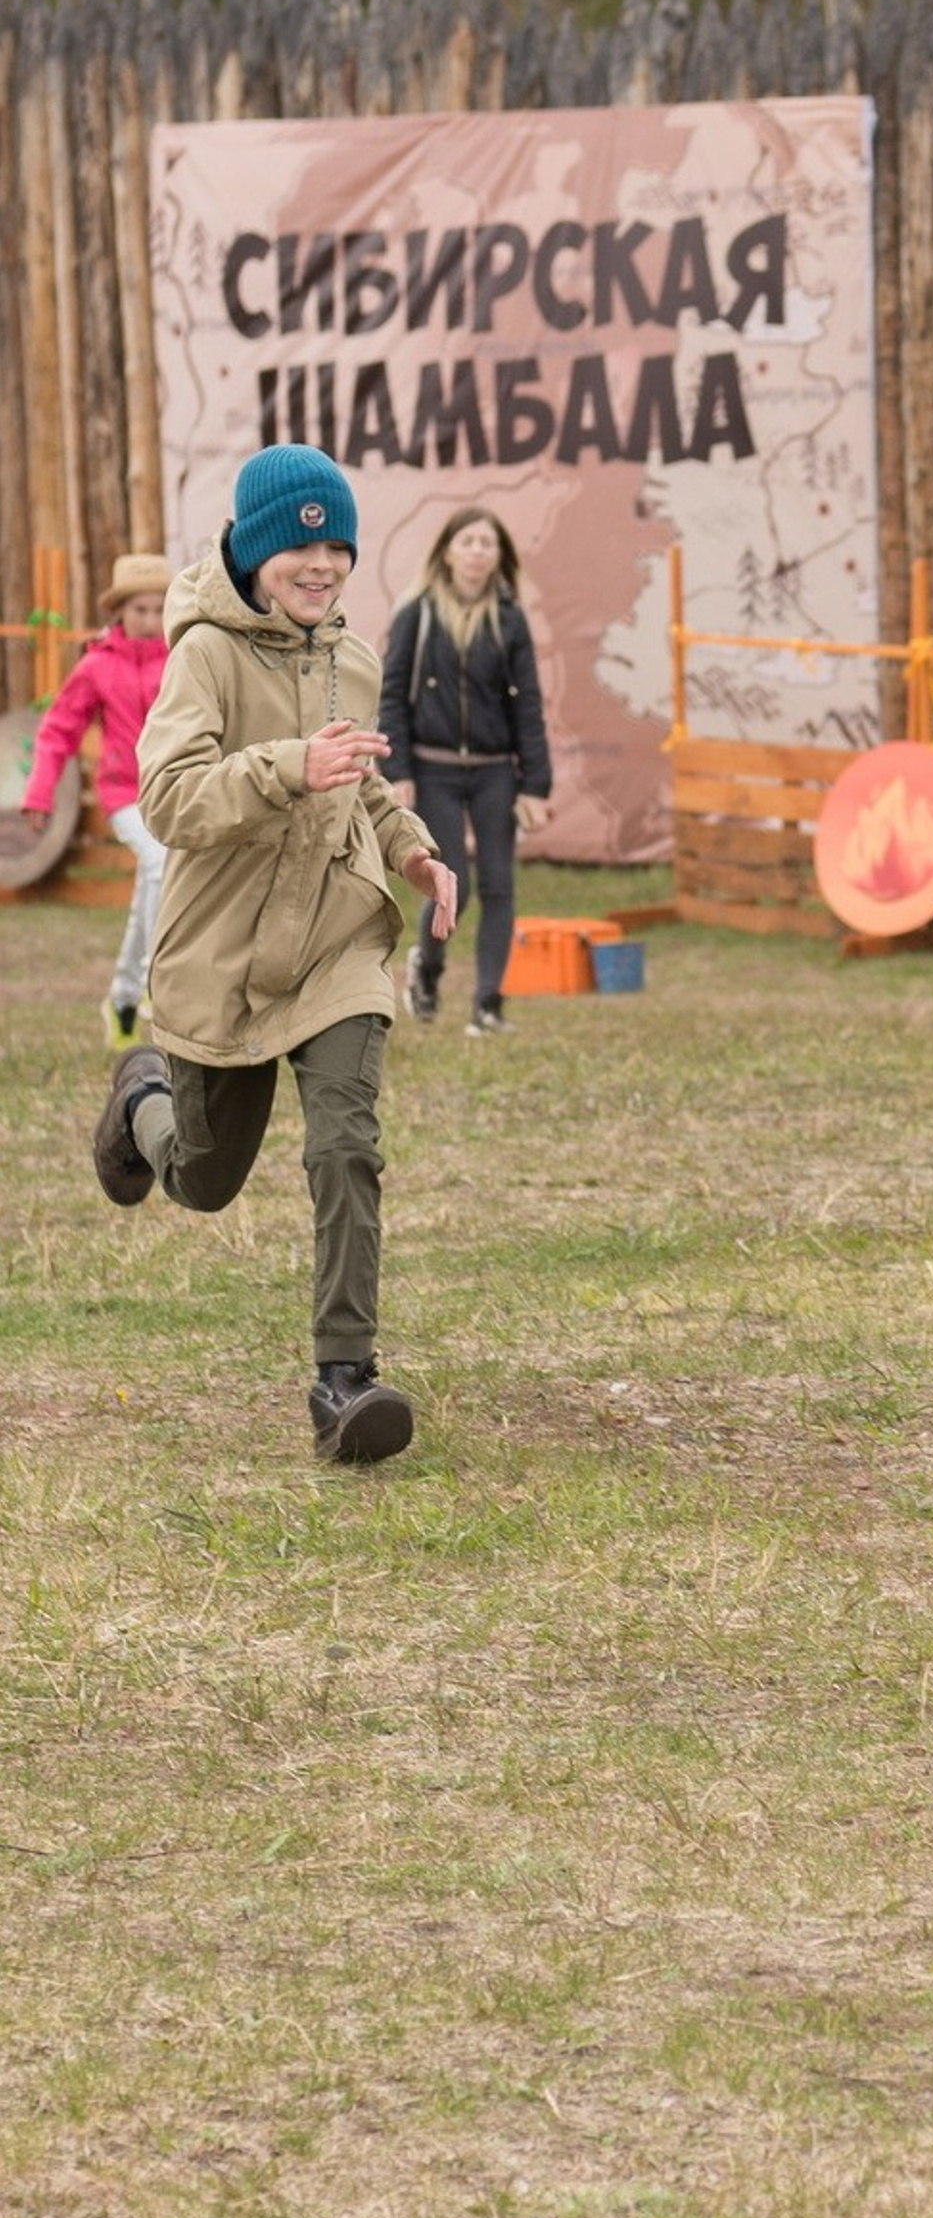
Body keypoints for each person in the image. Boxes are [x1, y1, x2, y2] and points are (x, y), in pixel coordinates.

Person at [90, 444, 459, 1465]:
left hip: (337, 937)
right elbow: (169, 800)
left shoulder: (352, 658)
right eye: (303, 548)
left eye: (339, 548)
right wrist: (291, 765)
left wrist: (411, 850)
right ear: (257, 552)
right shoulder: (204, 656)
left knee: (346, 1145)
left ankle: (345, 1381)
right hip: (226, 950)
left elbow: (361, 781)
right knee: (204, 1179)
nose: (323, 566)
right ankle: (142, 1098)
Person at [378, 506, 552, 1037]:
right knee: (455, 883)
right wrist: (398, 769)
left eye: (487, 543)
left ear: (499, 556)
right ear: (448, 552)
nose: (477, 551)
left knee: (500, 885)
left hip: (495, 769)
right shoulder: (417, 614)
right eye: (467, 541)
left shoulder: (509, 619)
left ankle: (488, 1005)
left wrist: (535, 785)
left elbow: (528, 705)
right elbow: (392, 696)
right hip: (433, 769)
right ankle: (427, 970)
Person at [19, 553, 173, 1047]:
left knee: (152, 884)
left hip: (174, 792)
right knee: (159, 863)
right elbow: (59, 730)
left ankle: (123, 998)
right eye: (140, 609)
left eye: (159, 609)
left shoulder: (183, 658)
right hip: (124, 793)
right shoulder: (97, 666)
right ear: (119, 611)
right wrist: (40, 793)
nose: (150, 619)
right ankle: (156, 983)